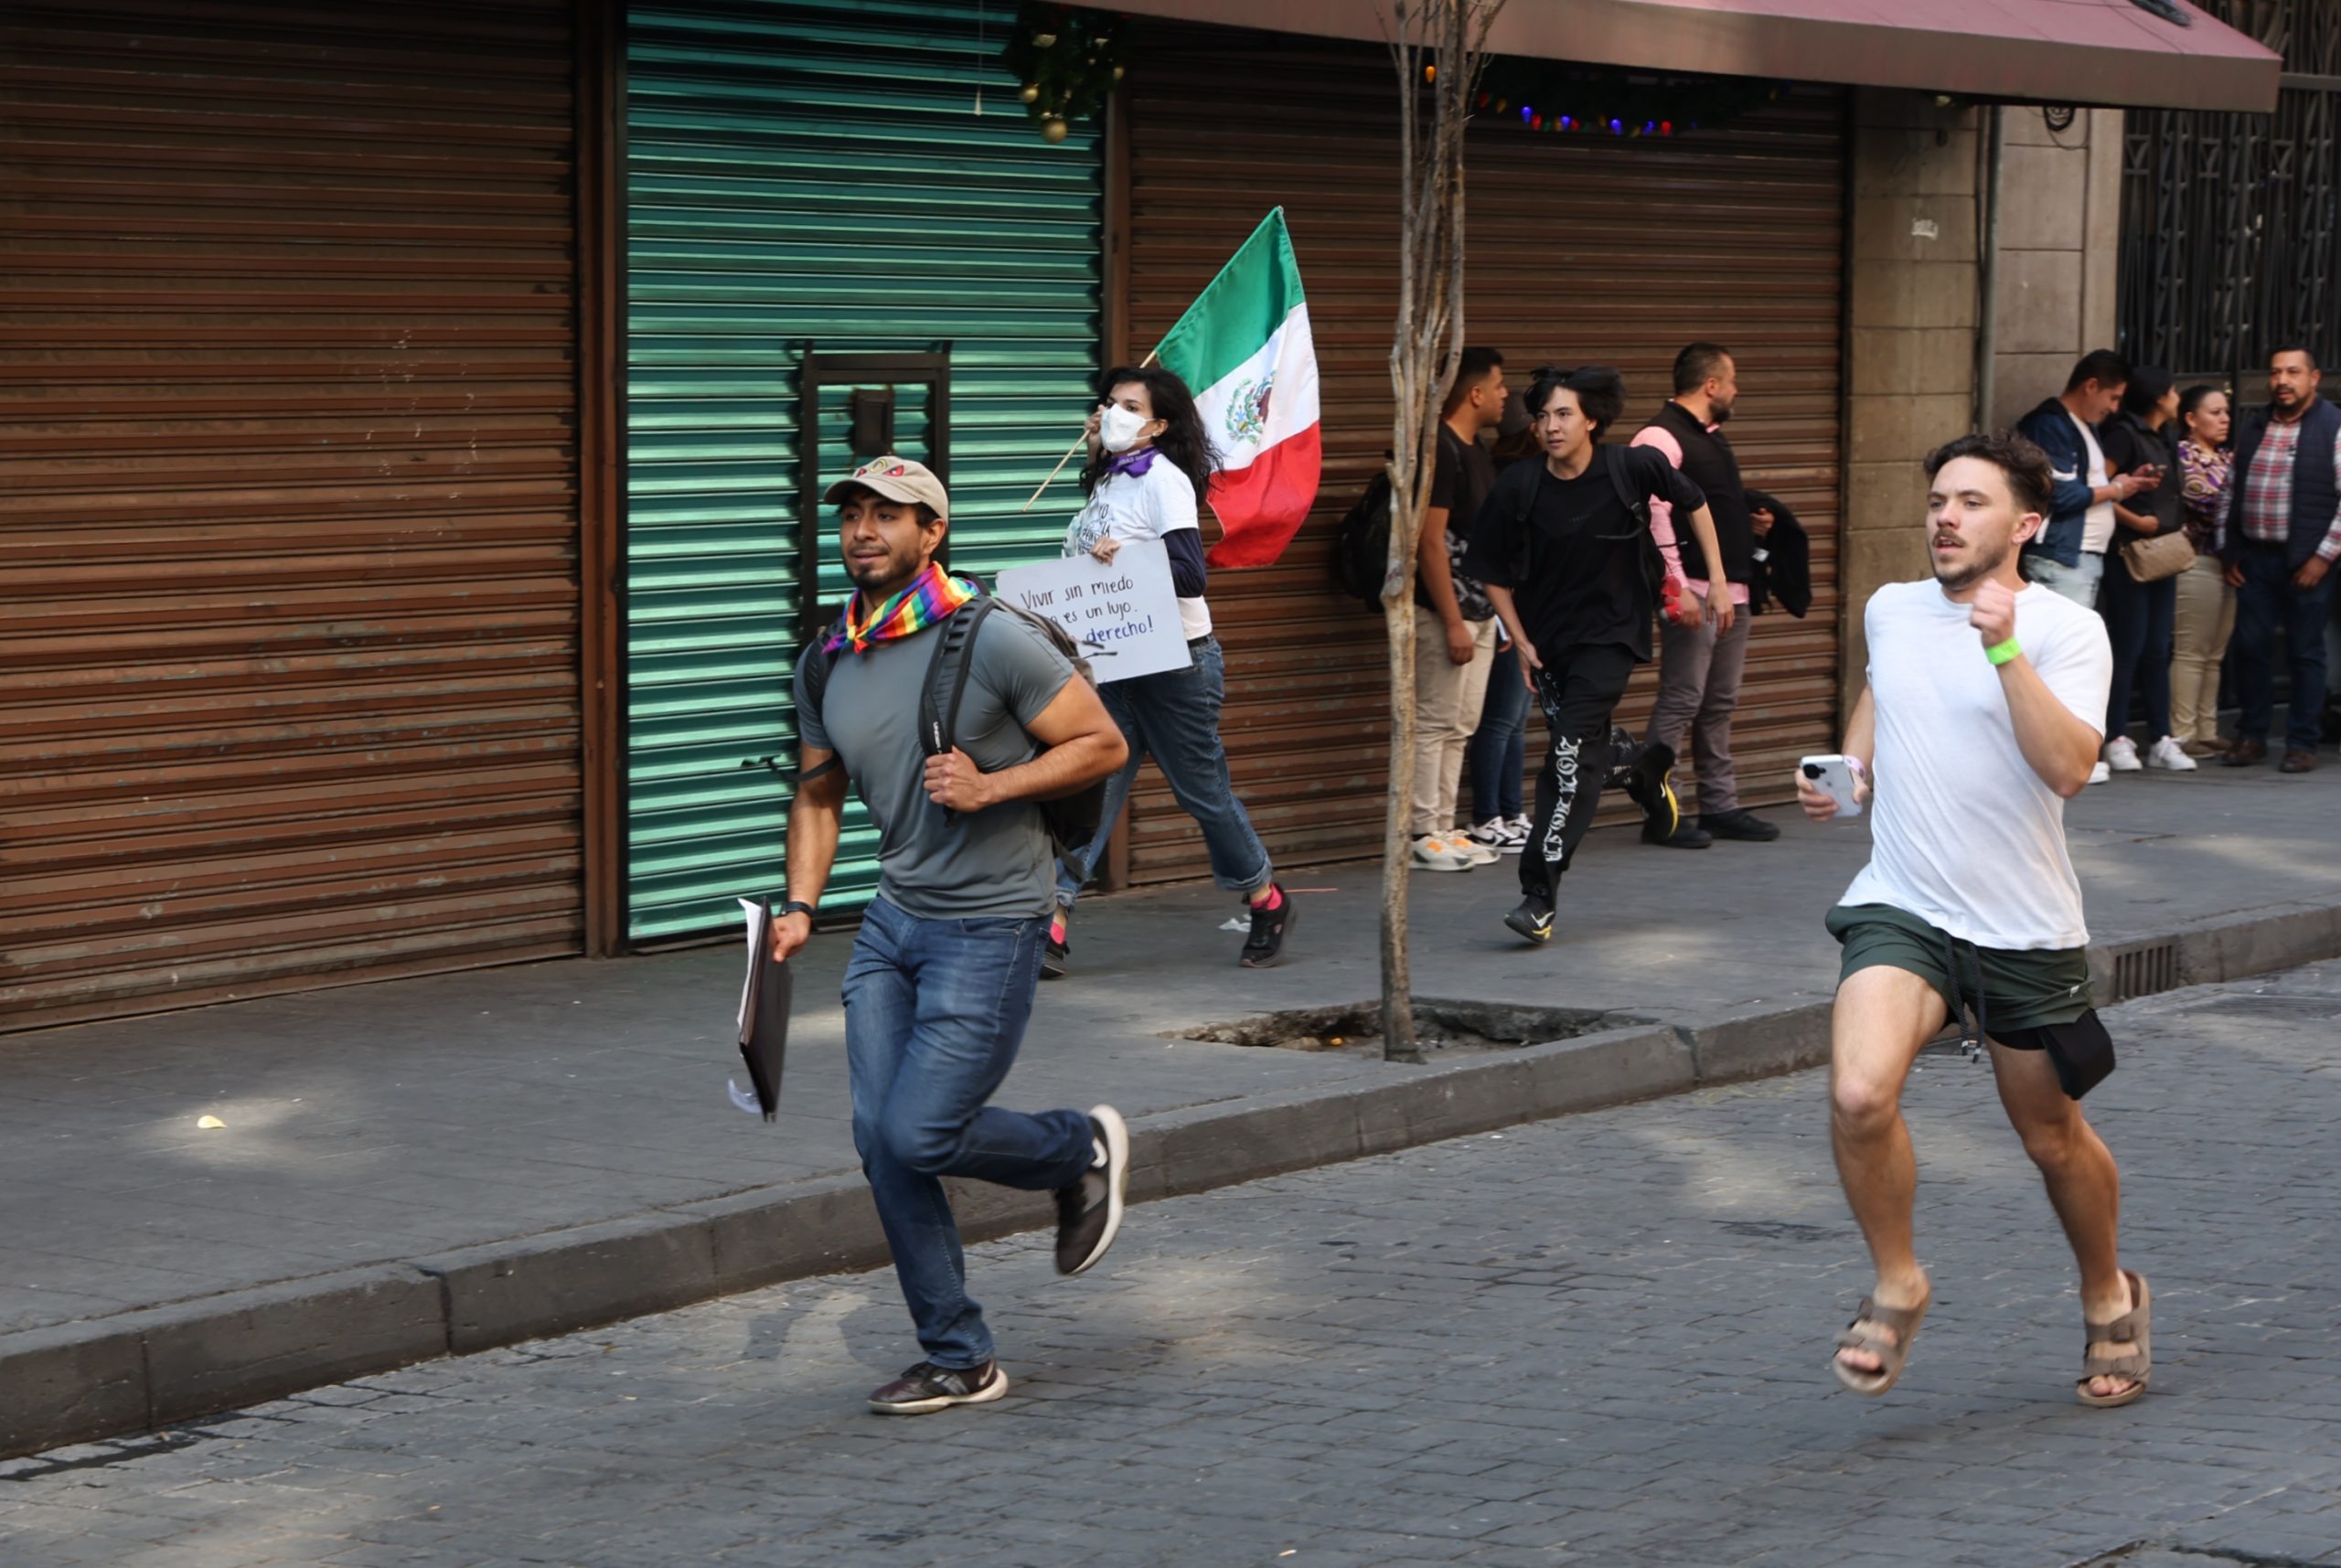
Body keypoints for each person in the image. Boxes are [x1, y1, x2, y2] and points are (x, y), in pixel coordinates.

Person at [776, 455, 1135, 1414]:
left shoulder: (993, 637)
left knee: (919, 1129)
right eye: (852, 513)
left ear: (932, 532)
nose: (863, 530)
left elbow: (1102, 742)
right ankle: (959, 1355)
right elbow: (816, 794)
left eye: (888, 515)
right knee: (882, 1141)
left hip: (991, 925)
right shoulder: (828, 658)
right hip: (891, 925)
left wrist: (992, 785)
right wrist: (800, 905)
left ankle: (1076, 1151)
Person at [1805, 431, 2146, 1410]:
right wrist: (1853, 768)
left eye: (1970, 502)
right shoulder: (1891, 607)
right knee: (1859, 1092)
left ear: (2026, 524)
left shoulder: (2066, 630)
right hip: (1903, 902)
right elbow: (1883, 689)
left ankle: (2107, 1289)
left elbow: (2068, 767)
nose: (1945, 519)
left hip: (2020, 925)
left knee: (2051, 1137)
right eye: (1937, 501)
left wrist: (2000, 647)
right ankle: (1897, 1281)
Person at [1466, 365, 1733, 946]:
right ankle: (1637, 767)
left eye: (1564, 414)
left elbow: (1694, 501)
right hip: (1549, 643)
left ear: (1591, 420)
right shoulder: (1519, 485)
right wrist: (1520, 641)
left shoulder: (1631, 467)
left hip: (1613, 635)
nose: (1551, 426)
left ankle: (1538, 897)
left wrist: (1714, 578)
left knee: (1566, 757)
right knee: (1583, 753)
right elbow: (1489, 568)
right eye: (1543, 416)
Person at [1048, 365, 1296, 971]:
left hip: (1177, 665)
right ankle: (1051, 919)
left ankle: (1266, 897)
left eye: (1131, 407)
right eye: (1110, 402)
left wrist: (1131, 557)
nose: (1115, 413)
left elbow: (1190, 574)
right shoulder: (1110, 478)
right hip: (1117, 661)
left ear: (1158, 426)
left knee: (1203, 794)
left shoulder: (1163, 480)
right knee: (1094, 789)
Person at [1633, 342, 1780, 848]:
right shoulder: (1660, 435)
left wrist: (1749, 524)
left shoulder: (1710, 436)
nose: (1736, 391)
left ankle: (1719, 805)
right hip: (1692, 592)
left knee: (1719, 702)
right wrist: (1675, 585)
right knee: (1682, 699)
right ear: (1711, 385)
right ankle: (1661, 813)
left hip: (1730, 594)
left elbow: (1708, 507)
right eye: (1731, 381)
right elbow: (1653, 513)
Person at [2217, 346, 2341, 773]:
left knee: (2305, 652)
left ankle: (2302, 742)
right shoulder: (2255, 426)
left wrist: (2322, 558)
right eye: (2275, 373)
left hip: (2308, 563)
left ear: (2314, 378)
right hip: (2255, 559)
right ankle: (2251, 736)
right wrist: (2228, 549)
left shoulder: (2333, 426)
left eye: (2292, 372)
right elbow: (2230, 490)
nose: (2282, 381)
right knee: (2250, 648)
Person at [1412, 347, 1510, 871]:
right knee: (1435, 719)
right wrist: (1451, 620)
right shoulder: (1442, 449)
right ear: (1474, 393)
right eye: (1498, 385)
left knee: (1462, 722)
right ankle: (1420, 830)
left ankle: (1445, 825)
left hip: (1481, 610)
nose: (1505, 395)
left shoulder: (1478, 449)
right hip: (1446, 612)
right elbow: (1429, 541)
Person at [2095, 366, 2196, 773]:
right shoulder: (2124, 435)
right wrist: (2136, 521)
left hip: (2162, 552)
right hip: (2130, 552)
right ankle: (2116, 736)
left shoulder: (2164, 437)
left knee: (2158, 646)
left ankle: (2161, 737)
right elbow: (2098, 488)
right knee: (2129, 645)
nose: (2178, 399)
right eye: (2173, 392)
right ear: (2159, 398)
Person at [1462, 396, 1545, 855]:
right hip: (1507, 612)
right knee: (1502, 719)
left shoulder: (1515, 474)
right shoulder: (1515, 479)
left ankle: (1510, 813)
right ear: (1533, 429)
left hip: (1522, 612)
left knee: (1514, 719)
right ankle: (1488, 816)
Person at [2170, 385, 2237, 756]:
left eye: (2226, 412)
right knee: (2191, 650)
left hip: (2228, 562)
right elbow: (2206, 501)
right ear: (2191, 419)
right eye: (2215, 412)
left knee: (2215, 653)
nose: (2225, 419)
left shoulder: (2227, 457)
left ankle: (2207, 728)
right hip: (2195, 560)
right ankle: (2183, 731)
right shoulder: (2184, 455)